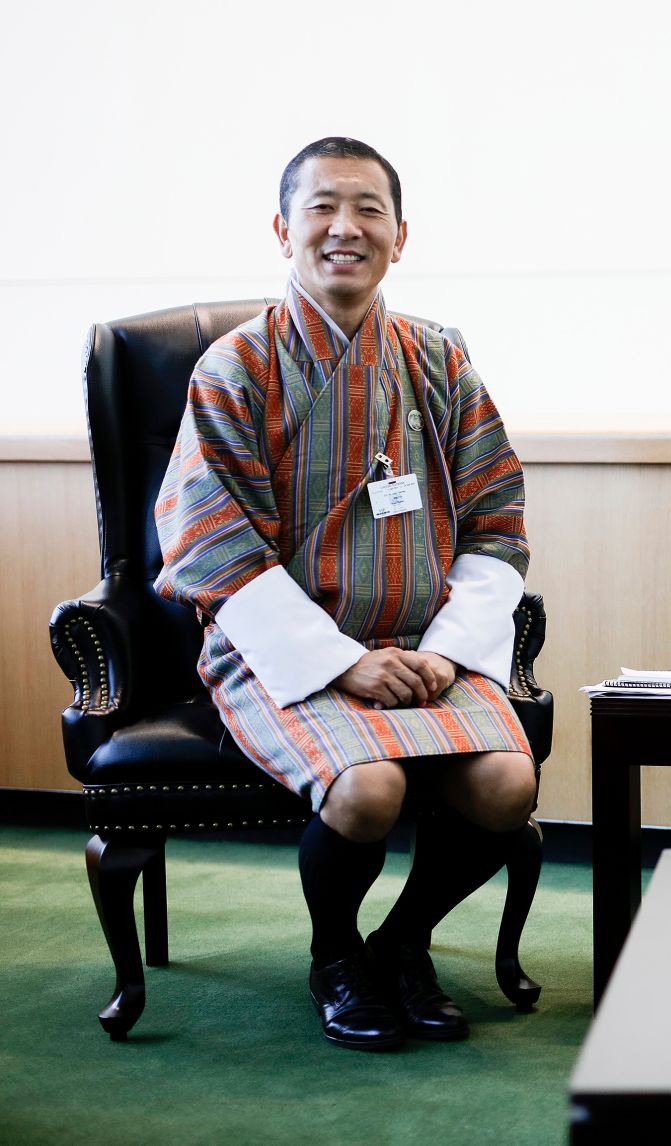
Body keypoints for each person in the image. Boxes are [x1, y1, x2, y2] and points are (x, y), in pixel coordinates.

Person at [155, 137, 536, 1051]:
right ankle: (335, 956)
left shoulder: (440, 361)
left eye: (369, 209)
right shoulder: (234, 369)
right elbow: (214, 547)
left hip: (423, 650)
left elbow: (497, 524)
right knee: (366, 791)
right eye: (323, 207)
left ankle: (401, 944)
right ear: (284, 229)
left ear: (400, 237)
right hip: (288, 652)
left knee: (507, 785)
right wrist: (344, 663)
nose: (345, 228)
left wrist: (441, 651)